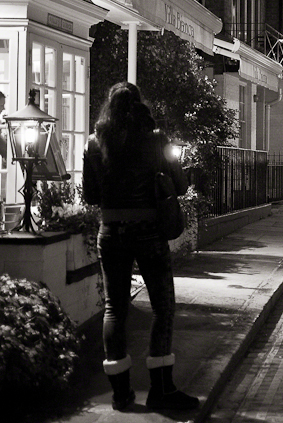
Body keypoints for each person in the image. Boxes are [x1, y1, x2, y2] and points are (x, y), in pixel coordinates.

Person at [83, 82, 198, 412]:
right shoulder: (155, 138)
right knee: (163, 307)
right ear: (138, 105)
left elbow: (91, 195)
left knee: (114, 309)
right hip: (148, 231)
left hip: (111, 232)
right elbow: (179, 184)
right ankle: (162, 389)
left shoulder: (94, 142)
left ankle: (121, 393)